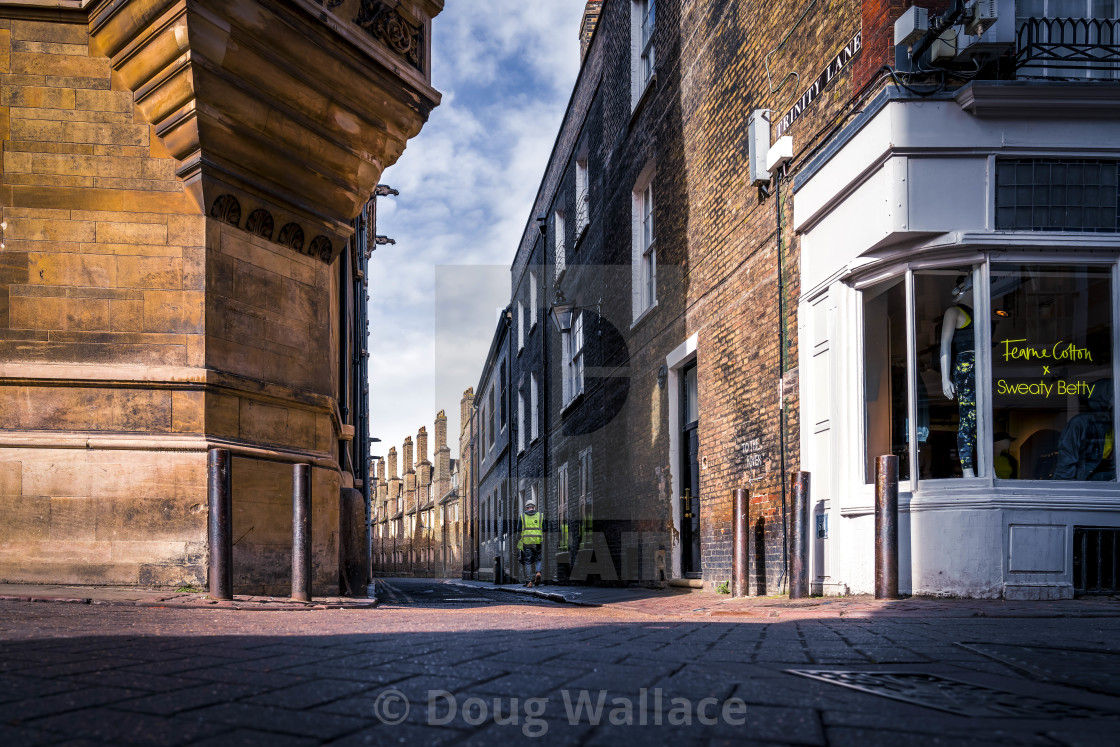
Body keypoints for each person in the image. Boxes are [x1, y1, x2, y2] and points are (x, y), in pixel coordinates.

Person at [940, 276, 977, 478]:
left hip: (982, 367)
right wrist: (945, 378)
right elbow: (945, 344)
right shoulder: (953, 312)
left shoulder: (983, 309)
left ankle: (987, 467)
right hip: (966, 367)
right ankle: (968, 470)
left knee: (983, 418)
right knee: (968, 418)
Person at [517, 499, 543, 587]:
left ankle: (529, 581)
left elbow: (519, 530)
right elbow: (545, 528)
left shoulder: (522, 516)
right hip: (537, 541)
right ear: (534, 507)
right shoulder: (540, 516)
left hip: (527, 542)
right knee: (538, 558)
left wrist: (518, 539)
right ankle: (538, 572)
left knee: (528, 561)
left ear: (526, 508)